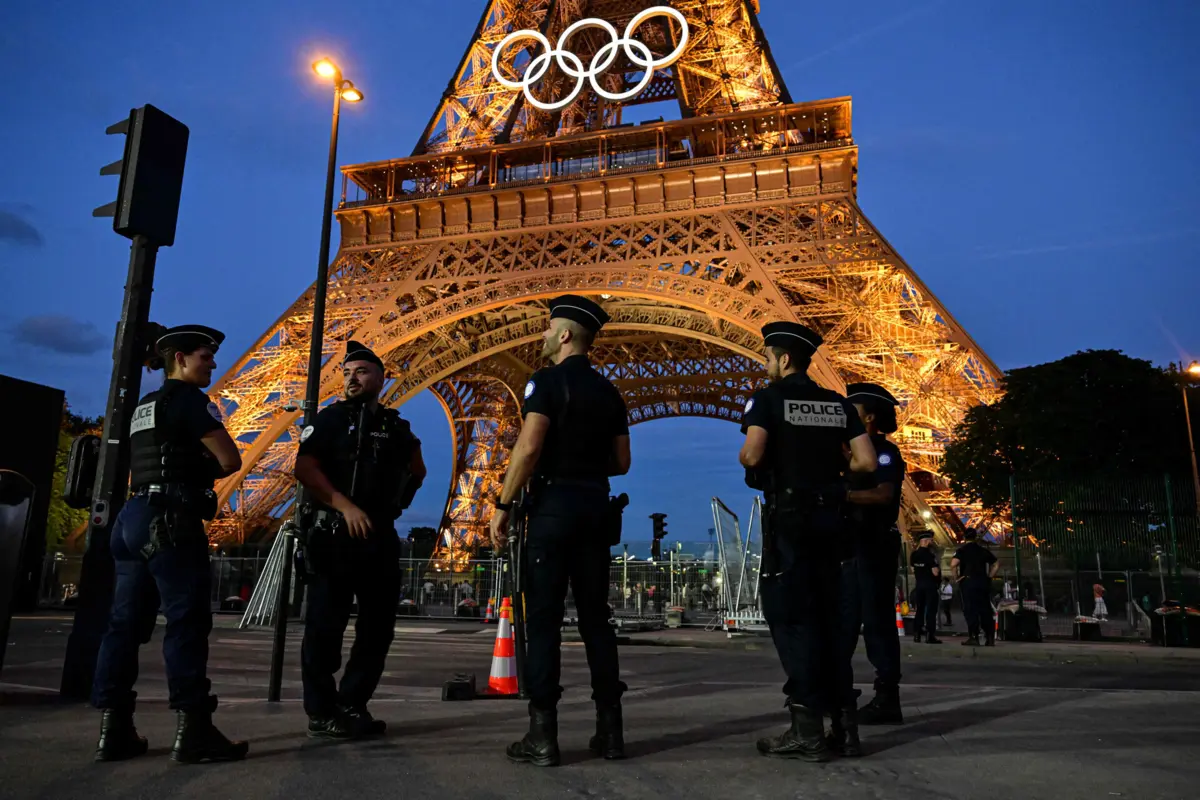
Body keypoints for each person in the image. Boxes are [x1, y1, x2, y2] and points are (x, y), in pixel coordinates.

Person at [91, 324, 248, 764]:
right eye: (204, 356)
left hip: (132, 518)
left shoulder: (145, 405)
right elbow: (230, 459)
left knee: (123, 627)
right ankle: (194, 729)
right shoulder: (191, 402)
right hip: (171, 520)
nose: (213, 364)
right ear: (179, 358)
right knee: (186, 623)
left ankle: (114, 728)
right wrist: (198, 467)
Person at [489, 295, 630, 768]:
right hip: (595, 507)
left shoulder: (546, 382)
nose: (542, 335)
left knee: (544, 620)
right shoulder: (610, 393)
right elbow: (623, 463)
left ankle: (542, 735)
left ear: (565, 334)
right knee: (596, 622)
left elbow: (528, 449)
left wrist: (504, 503)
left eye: (549, 328)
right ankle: (611, 732)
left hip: (552, 511)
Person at [739, 322, 876, 761]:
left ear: (782, 359)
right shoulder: (838, 404)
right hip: (833, 521)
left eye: (767, 357)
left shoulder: (768, 398)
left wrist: (753, 459)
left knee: (794, 621)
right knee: (833, 622)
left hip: (793, 524)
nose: (765, 365)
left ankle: (807, 730)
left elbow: (754, 454)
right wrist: (833, 480)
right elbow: (867, 461)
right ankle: (846, 727)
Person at [294, 340, 427, 739]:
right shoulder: (329, 419)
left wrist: (394, 506)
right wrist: (344, 506)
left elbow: (418, 469)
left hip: (378, 536)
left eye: (361, 372)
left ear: (380, 377)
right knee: (324, 626)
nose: (352, 378)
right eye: (347, 372)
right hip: (335, 535)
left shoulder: (396, 427)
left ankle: (352, 703)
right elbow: (303, 467)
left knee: (378, 628)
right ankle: (321, 711)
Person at [839, 382, 906, 728]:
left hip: (873, 545)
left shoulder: (883, 452)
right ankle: (842, 695)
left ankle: (886, 697)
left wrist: (842, 498)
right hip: (852, 546)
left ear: (870, 416)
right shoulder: (847, 453)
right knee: (845, 623)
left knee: (877, 621)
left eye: (854, 410)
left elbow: (883, 495)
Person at [951, 528, 998, 646]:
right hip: (982, 582)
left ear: (965, 537)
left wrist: (957, 577)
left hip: (968, 582)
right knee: (985, 609)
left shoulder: (962, 550)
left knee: (970, 610)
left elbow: (953, 564)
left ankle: (974, 636)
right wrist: (989, 577)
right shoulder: (983, 550)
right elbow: (996, 564)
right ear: (976, 537)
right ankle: (990, 637)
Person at [908, 532, 942, 644]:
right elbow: (935, 572)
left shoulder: (914, 555)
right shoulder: (930, 555)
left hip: (919, 585)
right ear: (926, 541)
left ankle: (917, 634)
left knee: (919, 610)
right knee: (931, 611)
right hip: (930, 585)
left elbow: (912, 569)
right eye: (931, 540)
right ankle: (930, 635)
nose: (932, 542)